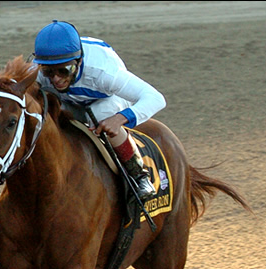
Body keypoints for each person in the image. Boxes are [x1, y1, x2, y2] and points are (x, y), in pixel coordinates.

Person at [32, 20, 166, 202]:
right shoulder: (37, 69)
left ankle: (139, 176)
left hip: (107, 99)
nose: (56, 79)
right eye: (48, 72)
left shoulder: (104, 72)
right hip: (69, 100)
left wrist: (120, 119)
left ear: (79, 61)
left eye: (64, 70)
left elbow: (156, 98)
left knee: (101, 115)